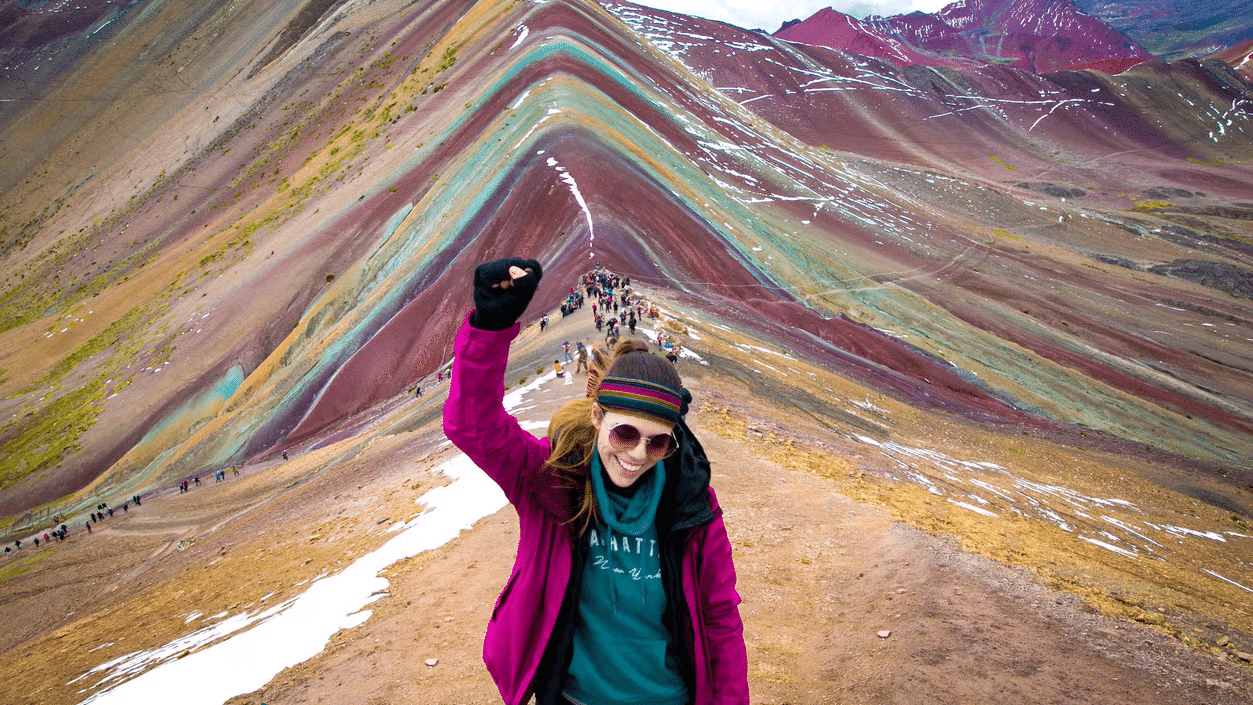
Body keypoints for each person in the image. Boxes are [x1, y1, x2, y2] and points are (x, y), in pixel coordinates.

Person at [443, 257, 748, 705]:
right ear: (597, 416)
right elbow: (472, 425)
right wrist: (491, 327)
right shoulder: (551, 480)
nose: (637, 456)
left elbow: (719, 617)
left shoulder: (691, 504)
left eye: (658, 443)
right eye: (624, 434)